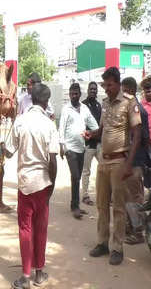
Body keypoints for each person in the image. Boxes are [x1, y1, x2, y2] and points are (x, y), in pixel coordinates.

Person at [1, 83, 58, 289]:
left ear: (31, 98)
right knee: (41, 228)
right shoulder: (50, 124)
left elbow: (8, 152)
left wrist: (1, 144)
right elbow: (53, 161)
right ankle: (39, 273)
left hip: (25, 184)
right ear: (46, 101)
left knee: (25, 228)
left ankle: (25, 276)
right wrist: (51, 187)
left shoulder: (20, 121)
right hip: (43, 183)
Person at [87, 67, 142, 265]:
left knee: (118, 207)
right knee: (102, 205)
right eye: (105, 85)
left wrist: (129, 164)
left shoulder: (129, 103)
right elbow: (102, 129)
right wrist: (91, 134)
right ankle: (102, 243)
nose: (107, 89)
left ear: (118, 83)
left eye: (109, 85)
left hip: (120, 161)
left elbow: (137, 136)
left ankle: (117, 247)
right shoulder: (105, 104)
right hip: (103, 159)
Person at [59, 83, 99, 219]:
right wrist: (62, 146)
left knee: (77, 177)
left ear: (80, 94)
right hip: (70, 148)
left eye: (76, 93)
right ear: (69, 94)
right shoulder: (66, 109)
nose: (74, 96)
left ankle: (75, 204)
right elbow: (61, 128)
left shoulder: (85, 109)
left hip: (82, 148)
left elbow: (94, 125)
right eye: (72, 94)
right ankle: (75, 207)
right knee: (75, 176)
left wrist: (93, 132)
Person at [121, 77, 151, 245]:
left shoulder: (138, 111)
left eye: (124, 91)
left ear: (131, 91)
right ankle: (130, 227)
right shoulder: (131, 109)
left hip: (135, 162)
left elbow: (143, 139)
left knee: (135, 197)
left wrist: (142, 160)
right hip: (129, 161)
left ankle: (138, 232)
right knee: (127, 196)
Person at [81, 81, 103, 206]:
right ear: (88, 90)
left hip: (99, 143)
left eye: (95, 89)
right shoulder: (83, 105)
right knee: (86, 171)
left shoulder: (99, 106)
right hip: (88, 144)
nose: (93, 91)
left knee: (104, 168)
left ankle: (106, 195)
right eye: (91, 89)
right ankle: (85, 195)